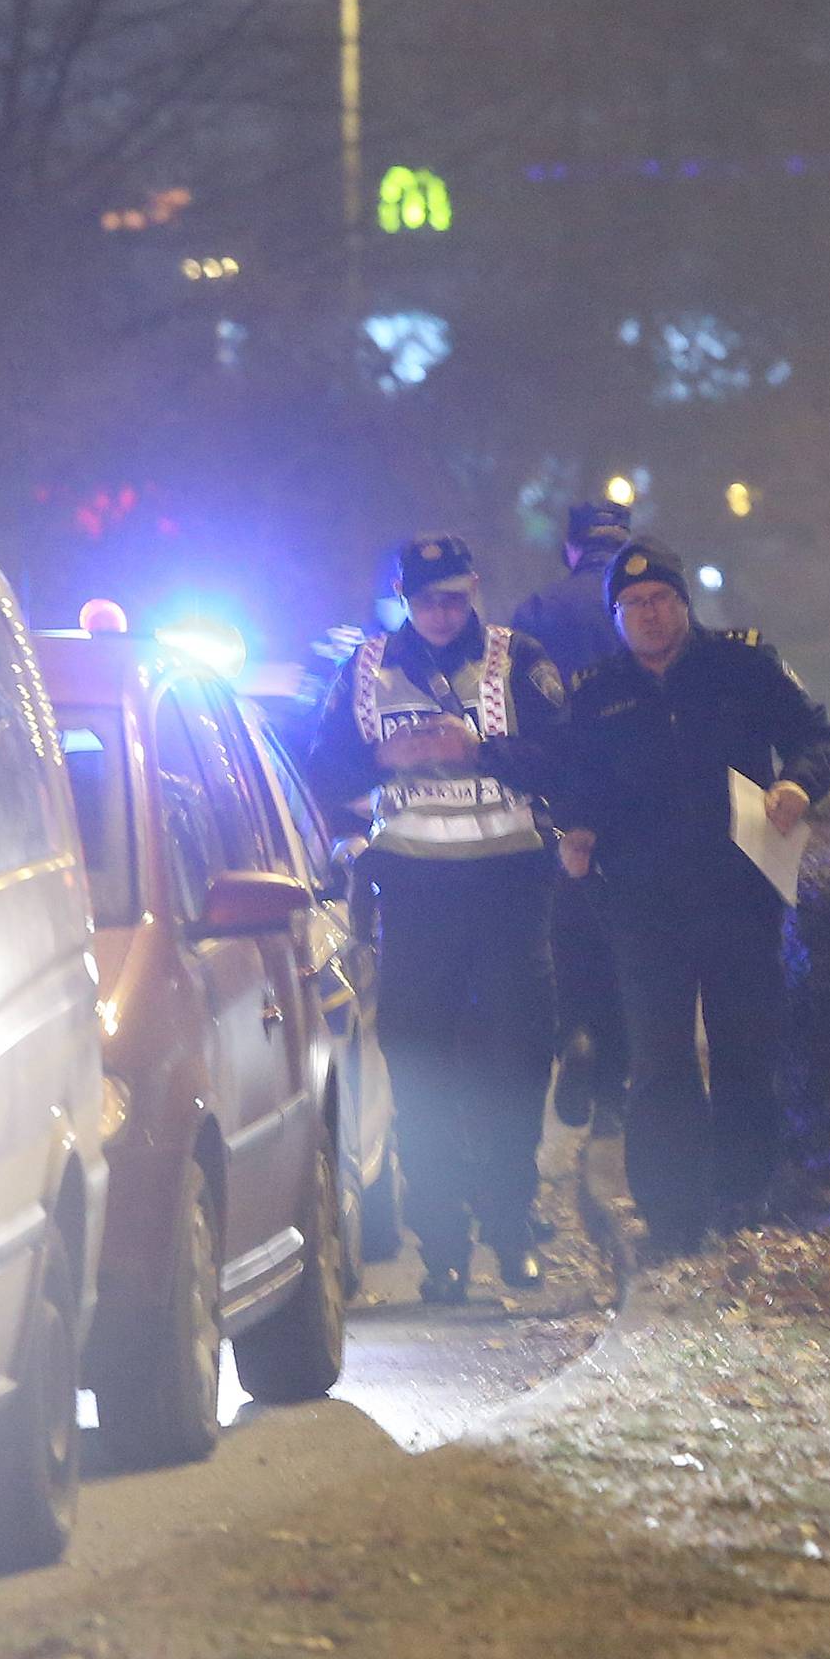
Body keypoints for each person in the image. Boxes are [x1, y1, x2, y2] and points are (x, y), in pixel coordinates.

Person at [557, 539, 830, 1256]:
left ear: (684, 603)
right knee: (659, 1058)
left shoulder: (743, 665)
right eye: (632, 605)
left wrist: (798, 784)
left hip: (738, 890)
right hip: (643, 903)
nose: (649, 615)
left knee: (746, 1044)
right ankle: (671, 1211)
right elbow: (574, 780)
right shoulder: (595, 693)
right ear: (615, 616)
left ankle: (743, 1194)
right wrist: (576, 826)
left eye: (661, 600)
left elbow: (814, 734)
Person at [308, 533, 566, 1304]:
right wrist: (382, 761)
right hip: (415, 897)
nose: (441, 612)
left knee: (518, 1064)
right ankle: (443, 1248)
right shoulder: (362, 669)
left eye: (454, 596)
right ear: (403, 598)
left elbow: (567, 757)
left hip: (510, 891)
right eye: (426, 599)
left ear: (475, 588)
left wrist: (480, 747)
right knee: (420, 1072)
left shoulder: (518, 659)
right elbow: (321, 765)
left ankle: (513, 1228)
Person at [512, 503, 634, 1139]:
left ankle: (573, 1036)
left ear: (570, 547)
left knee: (561, 936)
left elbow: (511, 706)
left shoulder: (536, 610)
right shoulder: (642, 599)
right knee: (624, 942)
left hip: (553, 805)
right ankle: (614, 1085)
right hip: (631, 807)